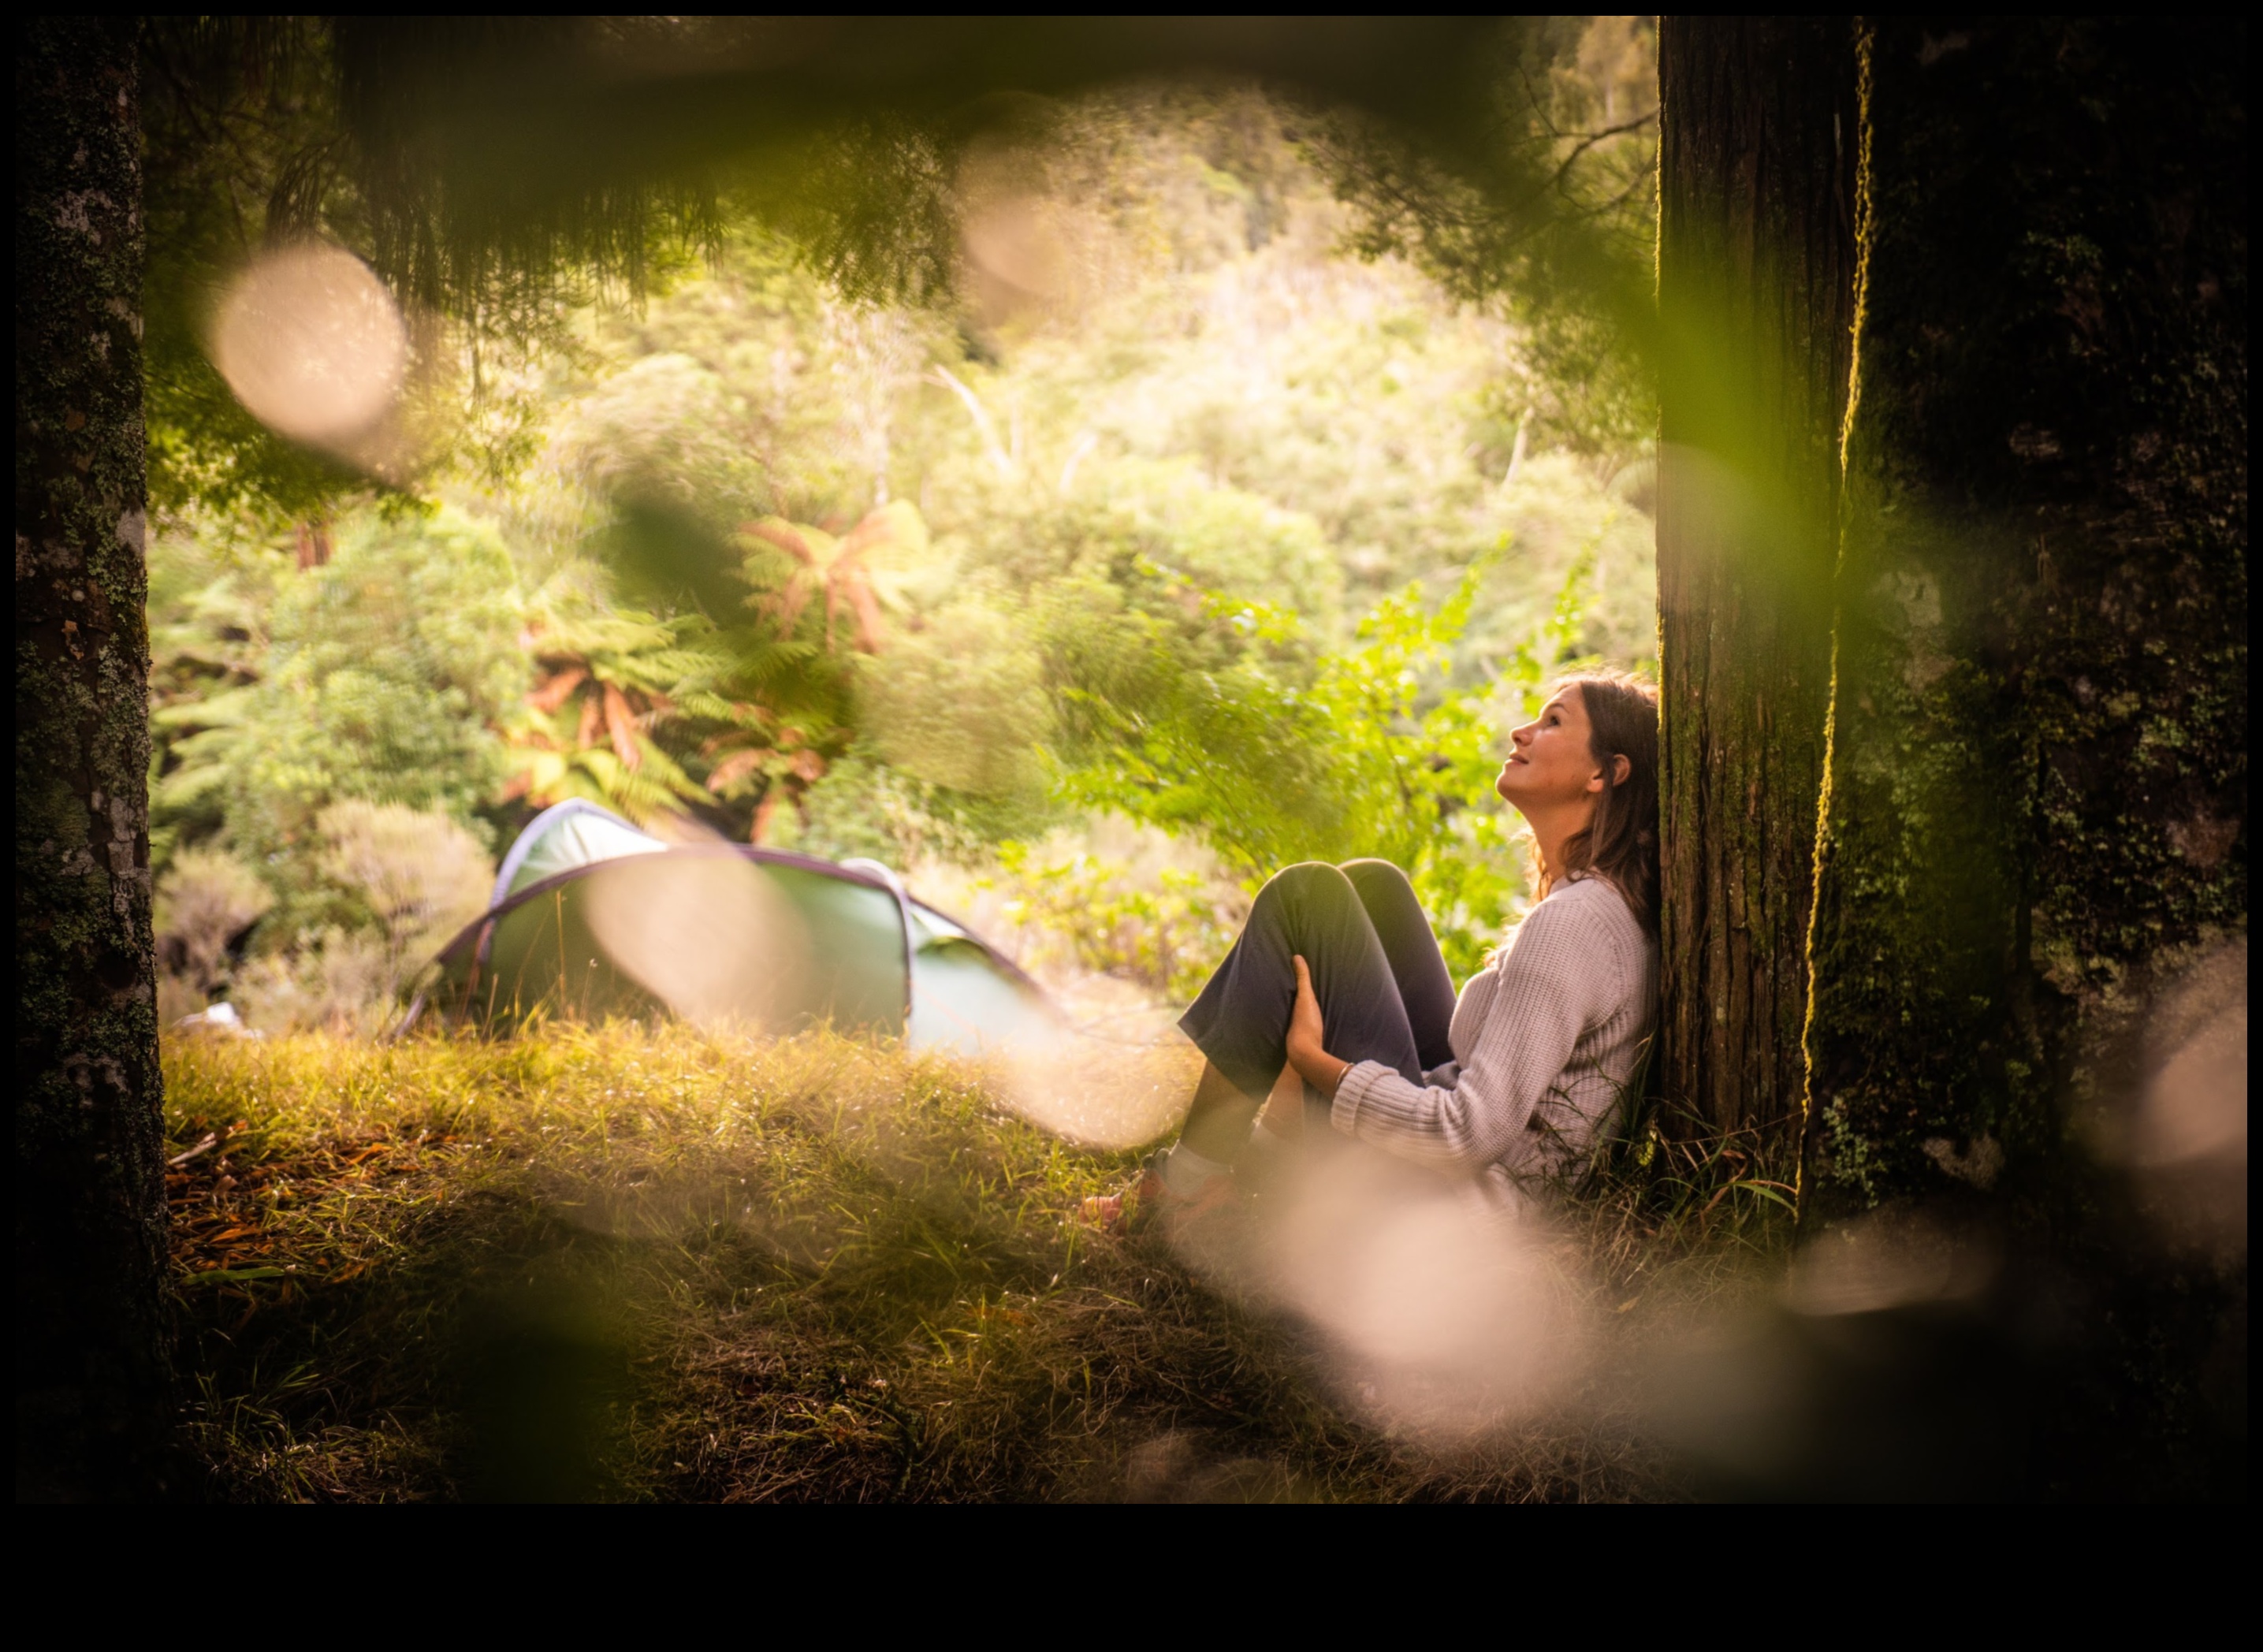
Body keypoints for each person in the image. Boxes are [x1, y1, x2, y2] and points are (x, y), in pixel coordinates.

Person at [1089, 671, 1660, 1233]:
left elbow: (1462, 1135)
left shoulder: (1572, 925)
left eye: (1552, 721)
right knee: (1373, 886)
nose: (1520, 731)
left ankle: (1184, 1187)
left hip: (1452, 1212)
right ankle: (1248, 1172)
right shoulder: (1591, 905)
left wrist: (1316, 1062)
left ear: (1604, 773)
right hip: (1474, 1167)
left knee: (1305, 897)